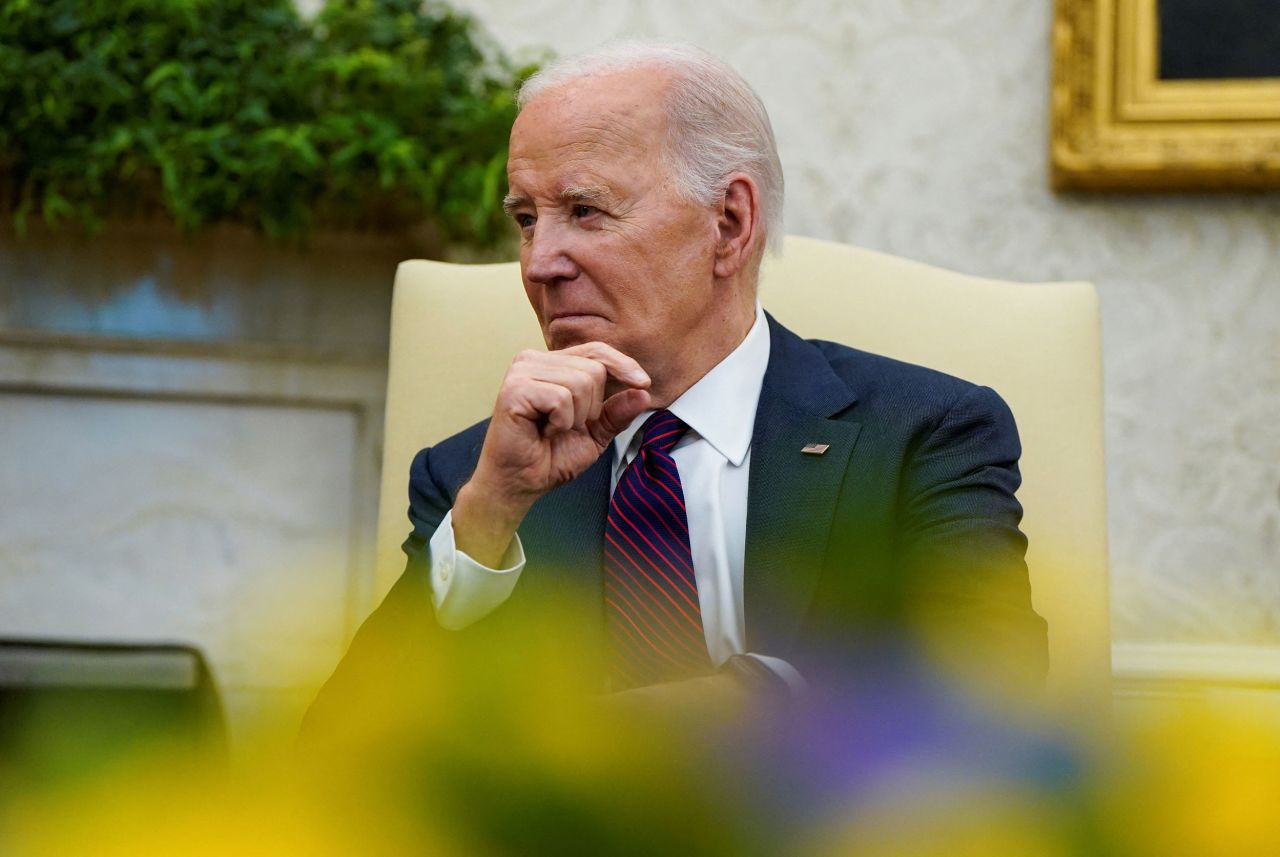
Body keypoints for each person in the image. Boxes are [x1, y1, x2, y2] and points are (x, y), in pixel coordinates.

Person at [305, 42, 1046, 725]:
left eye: (585, 211)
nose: (538, 263)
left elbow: (990, 686)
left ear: (728, 223)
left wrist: (732, 705)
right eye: (527, 219)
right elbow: (339, 753)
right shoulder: (475, 478)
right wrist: (490, 514)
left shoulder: (923, 432)